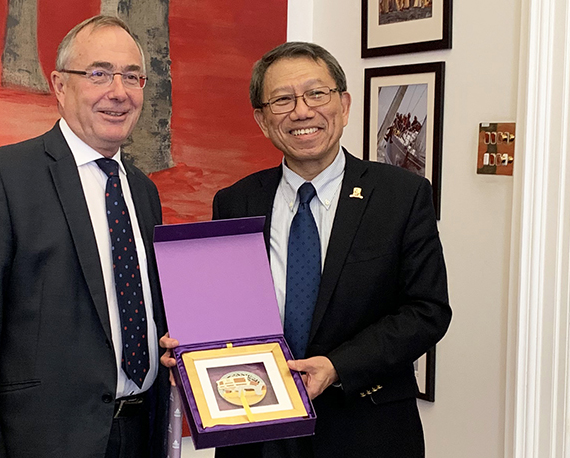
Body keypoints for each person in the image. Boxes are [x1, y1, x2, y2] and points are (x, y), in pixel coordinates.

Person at [161, 42, 451, 457]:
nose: (302, 111)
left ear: (344, 105)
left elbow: (427, 311)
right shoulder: (235, 201)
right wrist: (191, 344)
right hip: (256, 430)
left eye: (317, 93)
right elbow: (223, 310)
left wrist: (336, 368)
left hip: (366, 427)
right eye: (282, 100)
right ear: (262, 120)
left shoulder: (401, 195)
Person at [0, 15, 168, 458]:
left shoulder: (143, 190)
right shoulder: (1, 178)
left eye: (132, 77)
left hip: (142, 433)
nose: (118, 92)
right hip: (46, 441)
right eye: (99, 74)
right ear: (60, 86)